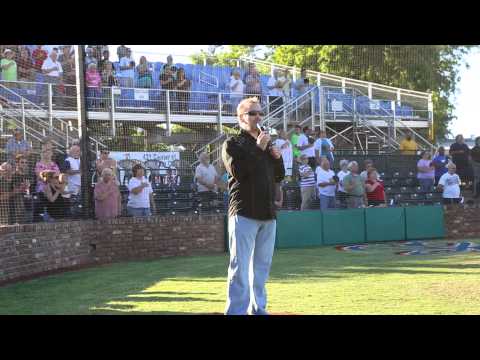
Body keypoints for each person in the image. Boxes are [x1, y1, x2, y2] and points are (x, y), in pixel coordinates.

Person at [222, 97, 284, 315]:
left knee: (261, 268)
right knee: (239, 268)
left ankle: (259, 310)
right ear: (241, 118)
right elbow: (239, 172)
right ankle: (236, 312)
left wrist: (277, 159)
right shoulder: (232, 143)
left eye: (260, 113)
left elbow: (279, 175)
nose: (258, 117)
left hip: (268, 213)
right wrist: (259, 148)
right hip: (244, 212)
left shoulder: (266, 143)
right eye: (252, 113)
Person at [10, 155, 32, 224]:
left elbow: (28, 189)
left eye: (26, 162)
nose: (24, 164)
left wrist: (27, 187)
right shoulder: (13, 175)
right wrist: (22, 188)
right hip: (17, 201)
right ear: (17, 163)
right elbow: (13, 190)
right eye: (22, 162)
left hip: (27, 199)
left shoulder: (27, 175)